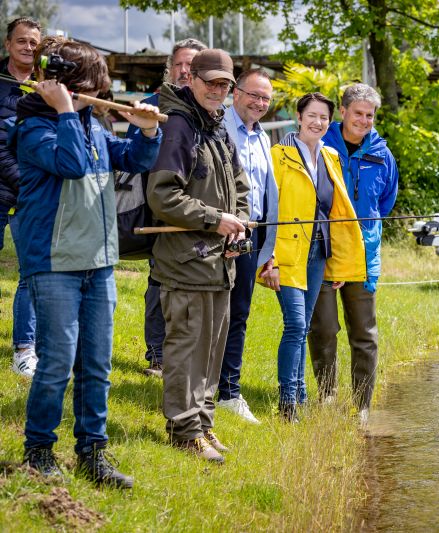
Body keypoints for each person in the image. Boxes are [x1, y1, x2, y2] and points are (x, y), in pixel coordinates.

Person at [9, 39, 162, 487]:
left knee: (96, 365)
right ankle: (38, 451)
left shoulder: (91, 125)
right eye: (94, 86)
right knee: (57, 362)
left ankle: (92, 453)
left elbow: (132, 161)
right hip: (54, 262)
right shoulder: (34, 128)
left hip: (100, 261)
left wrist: (145, 132)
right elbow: (72, 165)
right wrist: (62, 110)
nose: (100, 94)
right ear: (67, 85)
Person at [147, 48, 249, 462]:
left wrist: (239, 223)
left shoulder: (218, 126)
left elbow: (240, 186)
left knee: (211, 350)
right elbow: (162, 195)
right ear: (191, 79)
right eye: (212, 83)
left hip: (219, 264)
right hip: (186, 263)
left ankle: (203, 424)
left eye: (225, 85)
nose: (218, 91)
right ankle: (183, 430)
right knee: (186, 351)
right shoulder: (179, 126)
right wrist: (214, 219)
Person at [257, 92, 366, 422]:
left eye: (324, 117)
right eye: (312, 116)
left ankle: (301, 395)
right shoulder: (278, 155)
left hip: (319, 252)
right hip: (287, 252)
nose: (318, 122)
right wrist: (269, 260)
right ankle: (288, 402)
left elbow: (337, 212)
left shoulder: (331, 156)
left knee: (303, 327)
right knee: (295, 325)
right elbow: (267, 210)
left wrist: (341, 262)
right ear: (299, 117)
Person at [308, 83, 398, 423]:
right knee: (324, 328)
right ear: (343, 111)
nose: (363, 120)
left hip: (363, 255)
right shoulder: (320, 144)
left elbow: (385, 203)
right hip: (324, 251)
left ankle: (362, 406)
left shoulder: (383, 155)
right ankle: (327, 394)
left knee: (364, 333)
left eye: (370, 115)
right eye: (358, 113)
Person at [131, 38, 207, 378]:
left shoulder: (209, 110)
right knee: (159, 282)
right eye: (180, 64)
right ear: (170, 68)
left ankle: (189, 357)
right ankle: (158, 356)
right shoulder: (151, 105)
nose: (185, 70)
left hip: (199, 209)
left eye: (192, 65)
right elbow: (134, 156)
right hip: (158, 206)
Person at [217, 68, 278, 424]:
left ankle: (228, 391)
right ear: (236, 93)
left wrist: (269, 247)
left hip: (250, 237)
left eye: (265, 98)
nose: (259, 102)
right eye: (254, 94)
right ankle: (202, 387)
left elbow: (267, 194)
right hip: (218, 233)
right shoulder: (218, 127)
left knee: (238, 313)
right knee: (212, 313)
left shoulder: (262, 138)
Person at [0, 17, 41, 378]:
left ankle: (25, 349)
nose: (28, 47)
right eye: (22, 41)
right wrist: (24, 181)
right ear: (8, 44)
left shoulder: (48, 86)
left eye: (34, 43)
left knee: (32, 273)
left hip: (33, 197)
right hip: (6, 188)